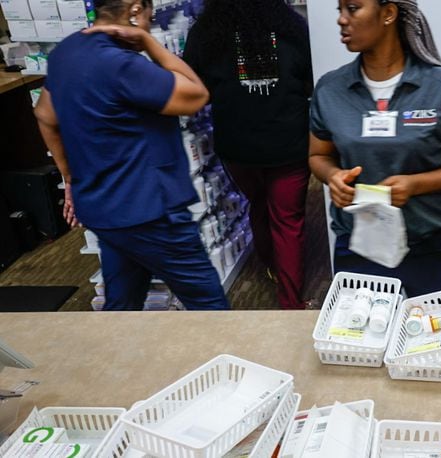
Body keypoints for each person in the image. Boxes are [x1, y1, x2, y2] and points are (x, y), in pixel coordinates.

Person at [33, 0, 229, 310]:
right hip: (150, 211)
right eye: (149, 16)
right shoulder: (122, 64)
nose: (150, 23)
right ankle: (226, 356)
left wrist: (69, 178)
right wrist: (150, 44)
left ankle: (119, 356)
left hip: (103, 210)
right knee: (209, 304)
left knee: (122, 305)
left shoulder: (66, 52)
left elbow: (45, 115)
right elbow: (197, 95)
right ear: (136, 9)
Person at [309, 0, 441, 297]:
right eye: (339, 10)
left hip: (430, 246)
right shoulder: (330, 89)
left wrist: (415, 185)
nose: (342, 20)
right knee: (362, 340)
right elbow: (318, 155)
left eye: (353, 8)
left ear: (388, 13)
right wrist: (332, 176)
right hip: (358, 246)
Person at [183, 0, 312, 309]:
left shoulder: (206, 32)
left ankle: (269, 263)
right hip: (289, 143)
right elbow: (310, 79)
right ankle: (290, 303)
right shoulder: (292, 26)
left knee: (258, 203)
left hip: (237, 145)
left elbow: (193, 84)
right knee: (288, 221)